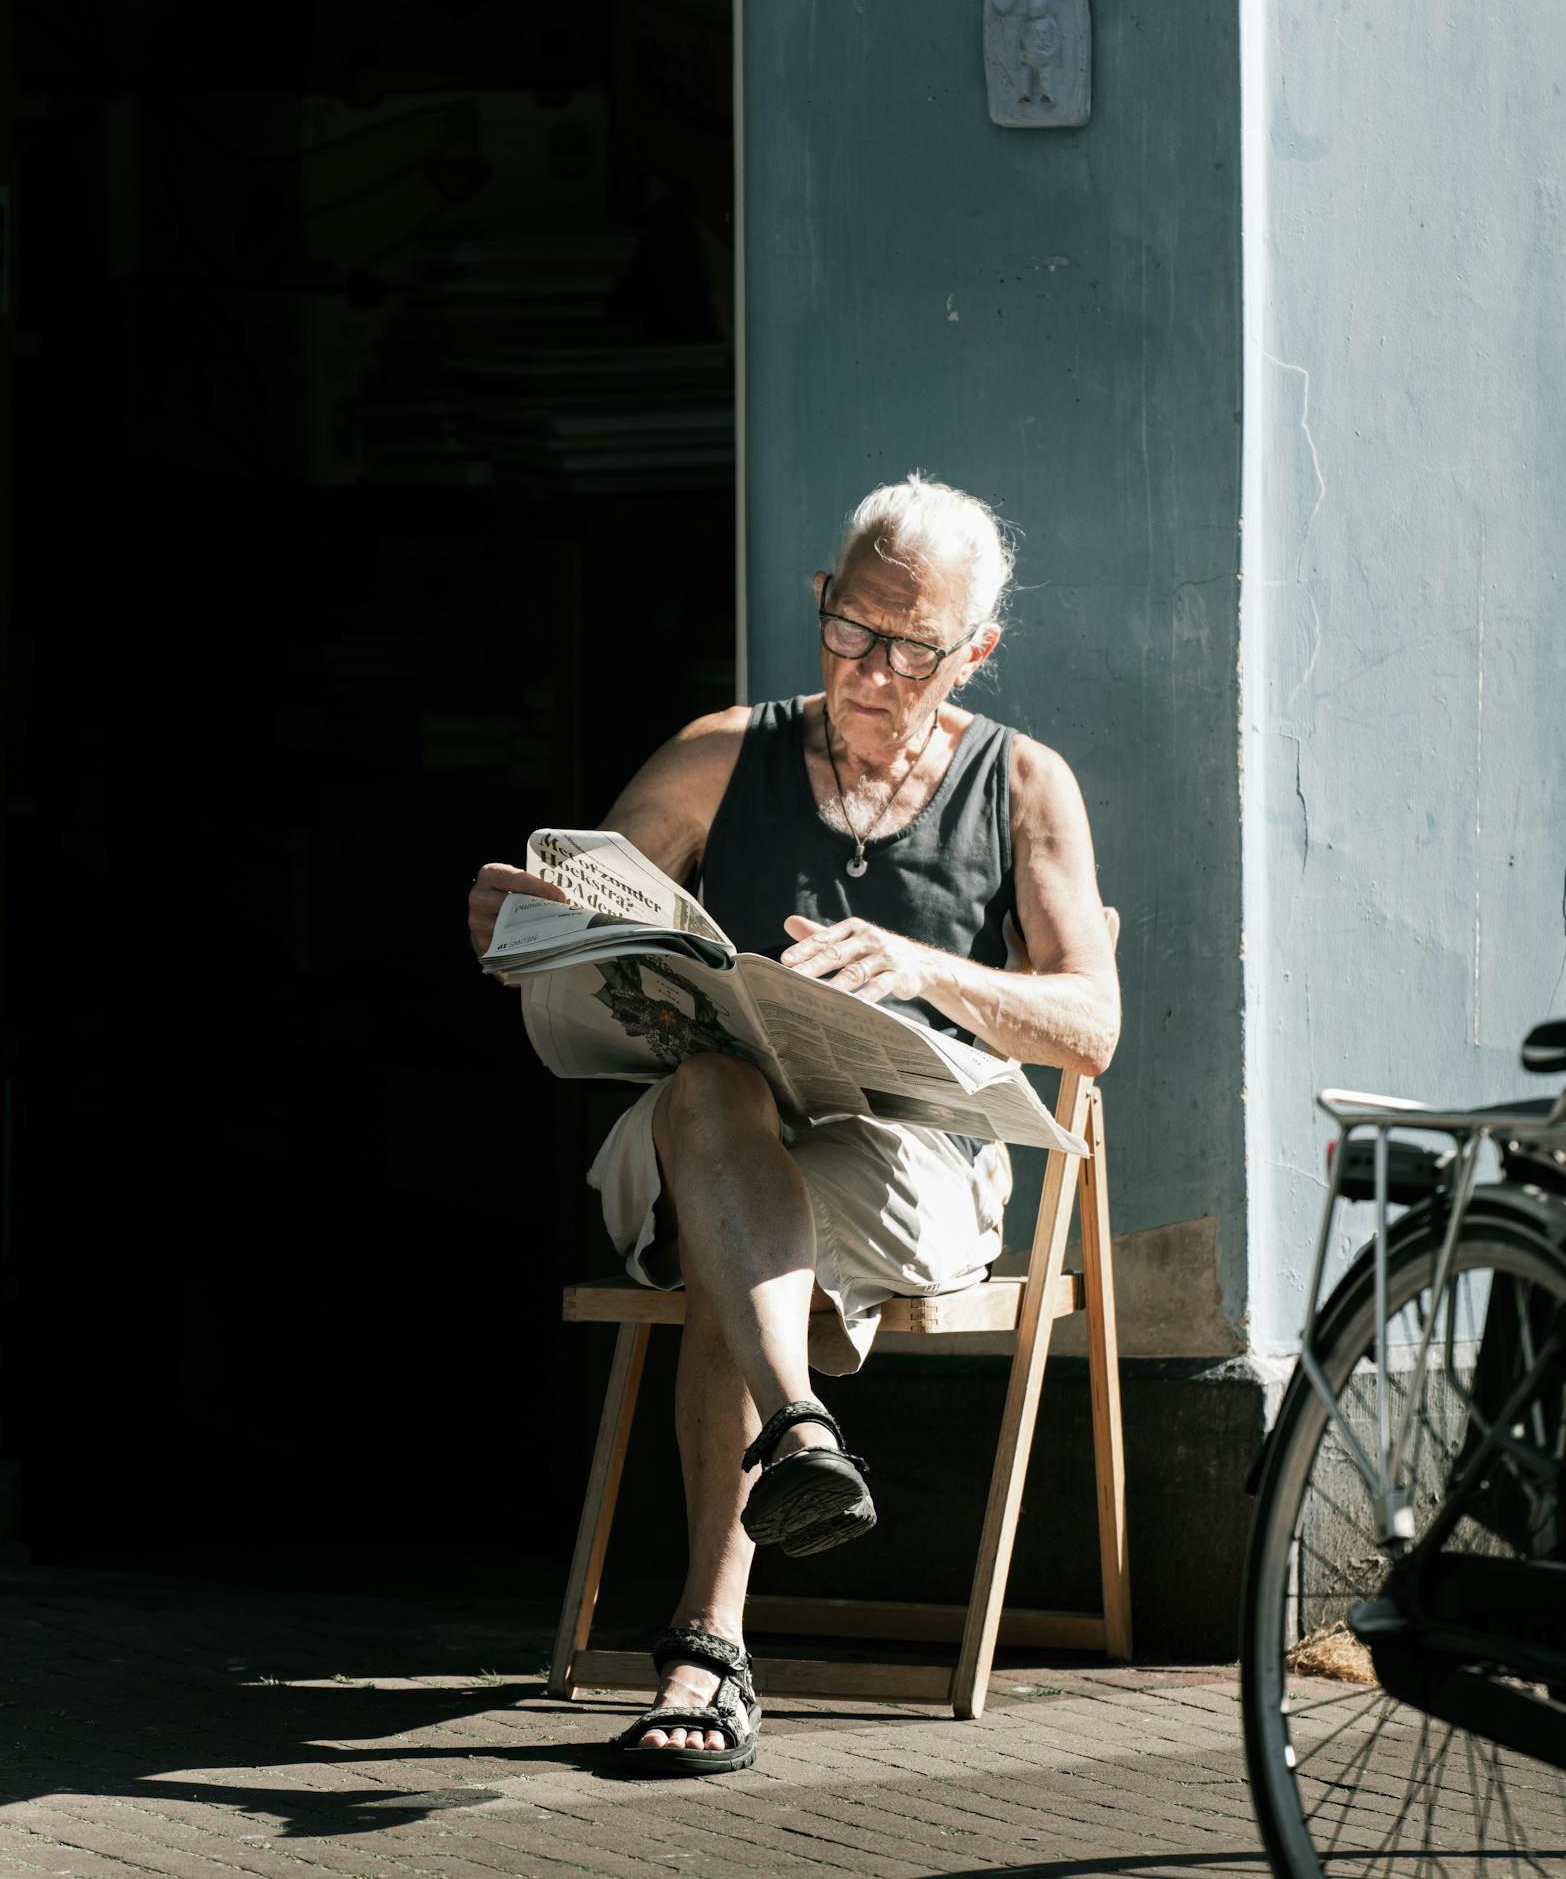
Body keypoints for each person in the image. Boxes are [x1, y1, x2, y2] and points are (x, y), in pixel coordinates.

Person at [466, 473, 1120, 1774]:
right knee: (716, 1104)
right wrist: (523, 923)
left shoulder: (1023, 784)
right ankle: (798, 1439)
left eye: (911, 648)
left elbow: (1091, 1025)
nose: (871, 671)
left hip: (915, 1167)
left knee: (734, 1231)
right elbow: (588, 903)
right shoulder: (724, 753)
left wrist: (929, 971)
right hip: (710, 1134)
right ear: (821, 600)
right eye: (848, 629)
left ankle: (715, 1639)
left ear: (974, 649)